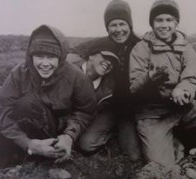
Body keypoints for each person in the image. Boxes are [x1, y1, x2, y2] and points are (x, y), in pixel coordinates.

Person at [0, 25, 97, 168]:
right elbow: (3, 109)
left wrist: (69, 136)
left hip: (52, 132)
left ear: (61, 57)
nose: (45, 63)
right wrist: (26, 143)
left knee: (27, 104)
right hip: (19, 127)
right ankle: (25, 154)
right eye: (39, 56)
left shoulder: (76, 76)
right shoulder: (19, 73)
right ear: (30, 56)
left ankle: (39, 153)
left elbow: (86, 111)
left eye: (51, 57)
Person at [129, 0, 196, 172]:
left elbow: (191, 75)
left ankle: (185, 139)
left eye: (169, 20)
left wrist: (183, 89)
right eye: (159, 20)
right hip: (152, 114)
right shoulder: (140, 49)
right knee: (161, 166)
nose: (164, 25)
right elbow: (134, 88)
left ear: (176, 22)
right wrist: (149, 78)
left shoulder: (186, 48)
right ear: (152, 23)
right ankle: (169, 139)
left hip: (181, 107)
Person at [74, 0, 141, 161]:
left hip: (132, 109)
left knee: (134, 155)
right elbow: (74, 51)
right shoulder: (102, 43)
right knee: (86, 144)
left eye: (122, 24)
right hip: (107, 107)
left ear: (129, 25)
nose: (118, 30)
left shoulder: (140, 46)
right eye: (113, 25)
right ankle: (108, 133)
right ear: (107, 27)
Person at [66, 40, 121, 153]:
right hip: (71, 111)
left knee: (86, 144)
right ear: (91, 55)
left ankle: (109, 133)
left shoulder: (111, 84)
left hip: (99, 112)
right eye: (106, 56)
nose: (109, 63)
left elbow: (91, 112)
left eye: (113, 61)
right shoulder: (68, 68)